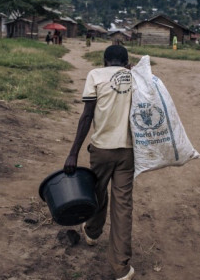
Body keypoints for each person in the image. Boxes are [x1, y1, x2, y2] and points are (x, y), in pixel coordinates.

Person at [64, 45, 135, 280]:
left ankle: (93, 233)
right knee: (123, 206)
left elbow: (87, 116)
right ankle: (121, 268)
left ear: (105, 61)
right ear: (126, 63)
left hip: (102, 150)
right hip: (128, 151)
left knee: (98, 193)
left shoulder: (96, 75)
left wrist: (73, 152)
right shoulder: (134, 77)